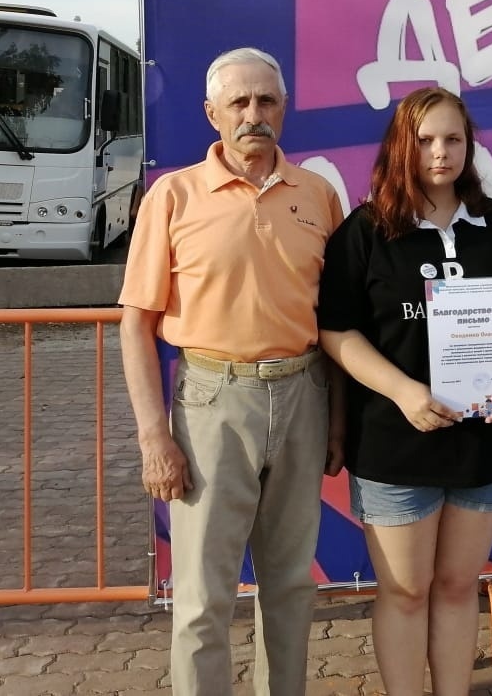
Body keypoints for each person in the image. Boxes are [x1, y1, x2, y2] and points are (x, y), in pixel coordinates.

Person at [118, 47, 345, 696]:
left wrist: (339, 420)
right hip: (211, 402)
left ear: (284, 108)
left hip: (304, 394)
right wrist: (153, 437)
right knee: (201, 597)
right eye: (238, 102)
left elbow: (336, 318)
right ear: (211, 113)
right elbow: (135, 324)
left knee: (292, 586)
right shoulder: (173, 196)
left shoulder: (318, 195)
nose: (254, 114)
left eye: (266, 100)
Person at [316, 86, 492, 696]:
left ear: (469, 146)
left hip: (481, 444)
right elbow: (337, 330)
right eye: (424, 140)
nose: (440, 152)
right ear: (401, 146)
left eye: (453, 139)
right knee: (406, 590)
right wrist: (404, 392)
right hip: (395, 444)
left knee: (457, 586)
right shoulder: (367, 230)